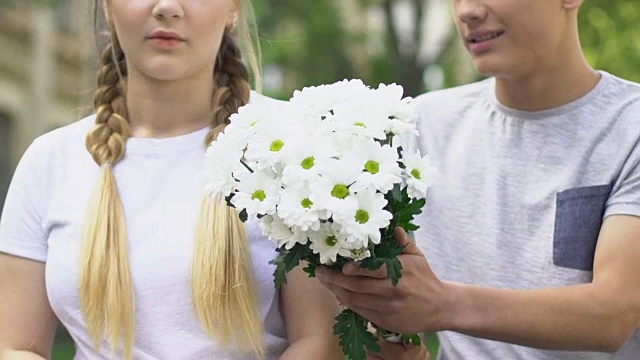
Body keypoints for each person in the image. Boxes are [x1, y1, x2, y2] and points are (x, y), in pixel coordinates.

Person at [0, 0, 345, 359]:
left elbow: (320, 341)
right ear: (106, 8)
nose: (167, 7)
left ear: (233, 10)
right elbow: (14, 345)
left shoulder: (296, 148)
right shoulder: (49, 161)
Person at [316, 0, 640, 359]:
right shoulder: (423, 123)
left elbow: (613, 315)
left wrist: (444, 304)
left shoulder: (629, 127)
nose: (466, 11)